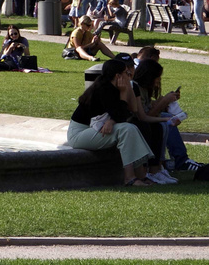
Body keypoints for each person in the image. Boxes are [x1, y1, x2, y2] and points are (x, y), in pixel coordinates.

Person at [68, 56, 158, 185]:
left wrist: (128, 87)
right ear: (118, 76)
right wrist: (122, 96)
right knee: (127, 129)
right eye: (126, 73)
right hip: (80, 133)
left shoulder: (117, 87)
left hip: (95, 129)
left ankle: (141, 176)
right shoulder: (103, 89)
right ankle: (130, 178)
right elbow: (120, 115)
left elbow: (133, 109)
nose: (129, 75)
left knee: (131, 128)